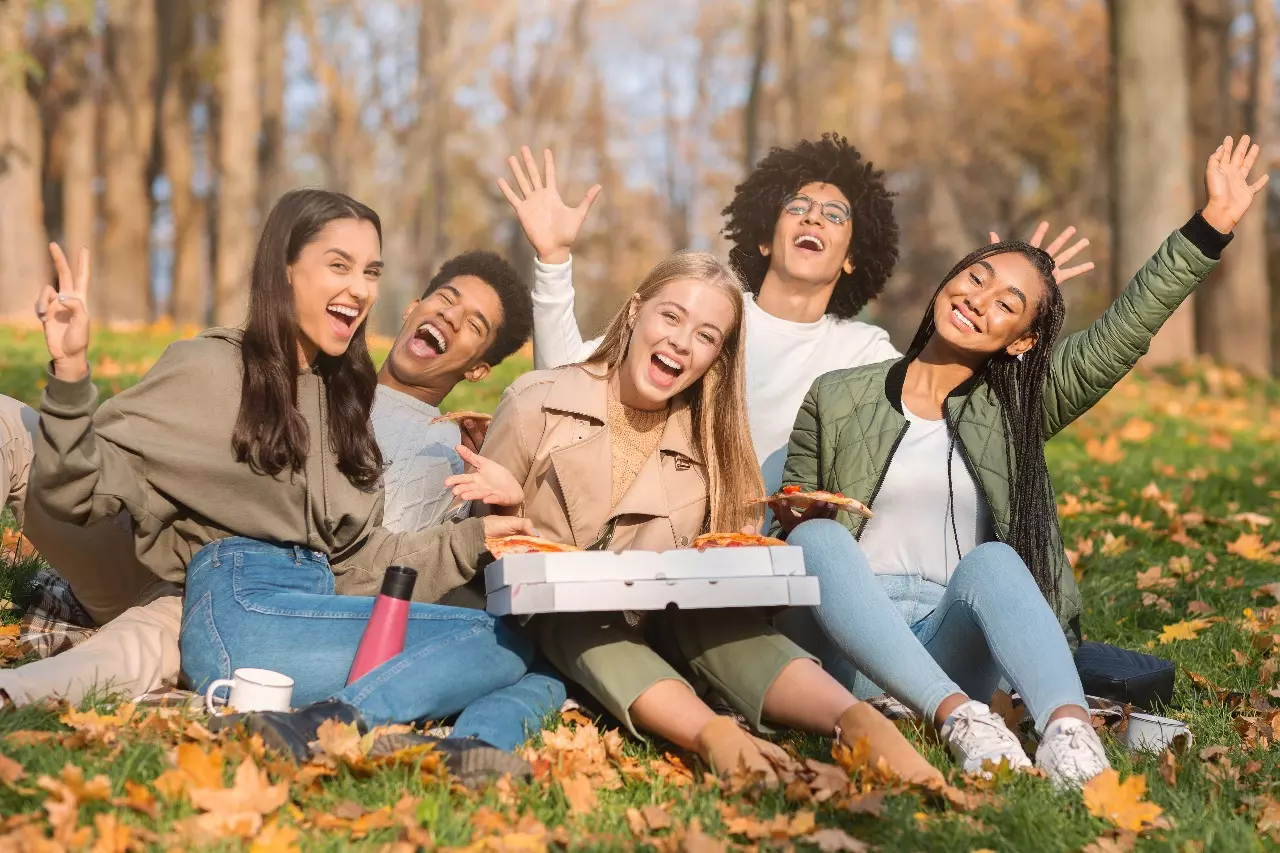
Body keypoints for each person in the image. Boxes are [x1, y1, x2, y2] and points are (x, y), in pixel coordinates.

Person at [769, 135, 1269, 788]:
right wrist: (795, 518)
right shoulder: (838, 395)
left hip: (957, 637)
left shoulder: (1015, 410)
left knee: (994, 561)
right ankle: (957, 719)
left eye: (1006, 303)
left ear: (1021, 340)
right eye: (976, 278)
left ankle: (1070, 736)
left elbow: (1120, 333)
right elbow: (791, 528)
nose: (979, 300)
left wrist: (1209, 229)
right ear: (951, 279)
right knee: (814, 536)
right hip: (857, 644)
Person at [28, 188, 542, 777]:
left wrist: (479, 534)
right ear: (286, 270)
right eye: (339, 265)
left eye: (371, 271)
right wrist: (70, 375)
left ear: (478, 366)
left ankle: (418, 740)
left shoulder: (348, 409)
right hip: (216, 582)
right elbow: (84, 486)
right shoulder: (212, 370)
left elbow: (357, 556)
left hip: (278, 602)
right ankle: (345, 726)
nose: (359, 287)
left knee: (515, 645)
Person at [450, 250, 945, 787]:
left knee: (712, 614)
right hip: (554, 627)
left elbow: (729, 590)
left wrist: (770, 541)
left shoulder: (718, 445)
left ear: (718, 356)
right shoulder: (535, 400)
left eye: (707, 336)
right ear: (636, 310)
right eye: (671, 317)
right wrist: (507, 509)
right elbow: (477, 554)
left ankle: (858, 720)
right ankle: (715, 736)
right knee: (578, 606)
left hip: (665, 630)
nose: (682, 342)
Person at [500, 137, 1094, 501]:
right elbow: (562, 382)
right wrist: (553, 260)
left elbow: (943, 409)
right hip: (663, 517)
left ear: (856, 253)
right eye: (798, 208)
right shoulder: (703, 319)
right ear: (766, 235)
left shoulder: (863, 352)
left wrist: (1022, 304)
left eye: (834, 215)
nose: (813, 220)